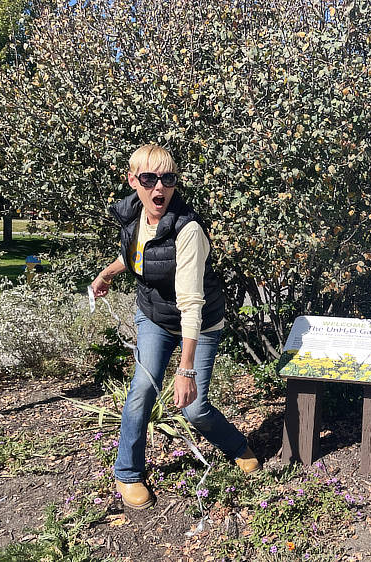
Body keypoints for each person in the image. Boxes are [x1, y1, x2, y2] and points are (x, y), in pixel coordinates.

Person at [91, 144, 259, 510]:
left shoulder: (188, 230)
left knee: (194, 408)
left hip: (198, 321)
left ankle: (237, 445)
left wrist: (185, 370)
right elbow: (136, 252)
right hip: (154, 316)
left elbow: (191, 304)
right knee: (141, 390)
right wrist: (107, 274)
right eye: (149, 179)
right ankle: (128, 474)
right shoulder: (134, 214)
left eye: (167, 179)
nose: (159, 189)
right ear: (133, 180)